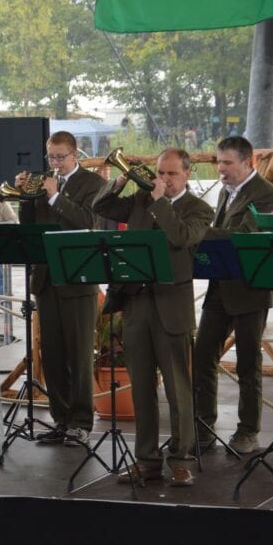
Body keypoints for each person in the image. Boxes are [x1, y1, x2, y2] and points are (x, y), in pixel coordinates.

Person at [94, 149, 213, 486]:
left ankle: (181, 459)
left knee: (178, 389)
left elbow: (181, 238)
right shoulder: (141, 200)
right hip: (137, 303)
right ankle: (146, 459)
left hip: (171, 306)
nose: (163, 179)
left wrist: (160, 202)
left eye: (171, 174)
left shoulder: (199, 209)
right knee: (141, 388)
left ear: (188, 174)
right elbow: (101, 207)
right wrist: (119, 180)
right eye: (160, 172)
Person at [193, 136, 273, 454]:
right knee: (202, 354)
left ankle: (248, 431)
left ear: (248, 163)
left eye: (227, 163)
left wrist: (194, 231)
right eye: (219, 162)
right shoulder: (227, 192)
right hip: (220, 286)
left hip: (250, 291)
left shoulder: (265, 193)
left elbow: (244, 238)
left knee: (247, 363)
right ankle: (202, 424)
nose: (221, 168)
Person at [15, 131, 101, 447]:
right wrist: (27, 195)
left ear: (75, 154)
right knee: (51, 354)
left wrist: (54, 197)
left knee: (78, 356)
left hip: (78, 280)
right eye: (51, 157)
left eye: (60, 157)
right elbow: (29, 227)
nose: (55, 163)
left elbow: (87, 221)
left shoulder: (91, 183)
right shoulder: (44, 182)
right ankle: (61, 419)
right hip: (46, 279)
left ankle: (81, 422)